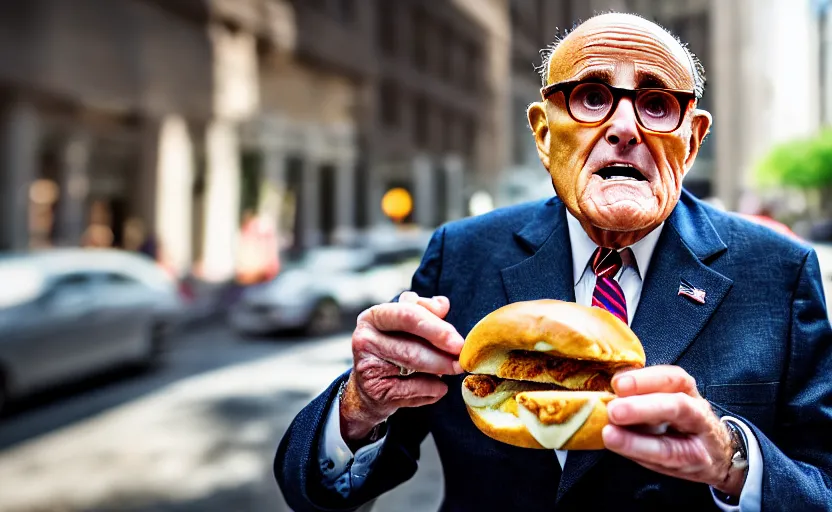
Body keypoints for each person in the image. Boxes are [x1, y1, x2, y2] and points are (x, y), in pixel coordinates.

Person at [275, 13, 832, 511]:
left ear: (691, 141)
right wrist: (359, 405)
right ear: (544, 133)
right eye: (592, 96)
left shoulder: (780, 274)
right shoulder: (460, 255)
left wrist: (731, 461)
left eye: (657, 104)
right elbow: (318, 492)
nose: (624, 127)